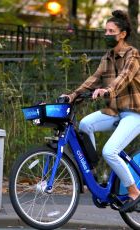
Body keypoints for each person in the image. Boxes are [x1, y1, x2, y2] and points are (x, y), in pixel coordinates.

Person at [62, 10, 140, 212]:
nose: (106, 34)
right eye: (105, 30)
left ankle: (133, 191)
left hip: (135, 113)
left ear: (122, 34)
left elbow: (124, 77)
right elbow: (93, 79)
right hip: (115, 113)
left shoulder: (133, 54)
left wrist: (108, 90)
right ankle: (94, 171)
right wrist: (73, 95)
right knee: (86, 124)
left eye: (111, 31)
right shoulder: (108, 56)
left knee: (110, 151)